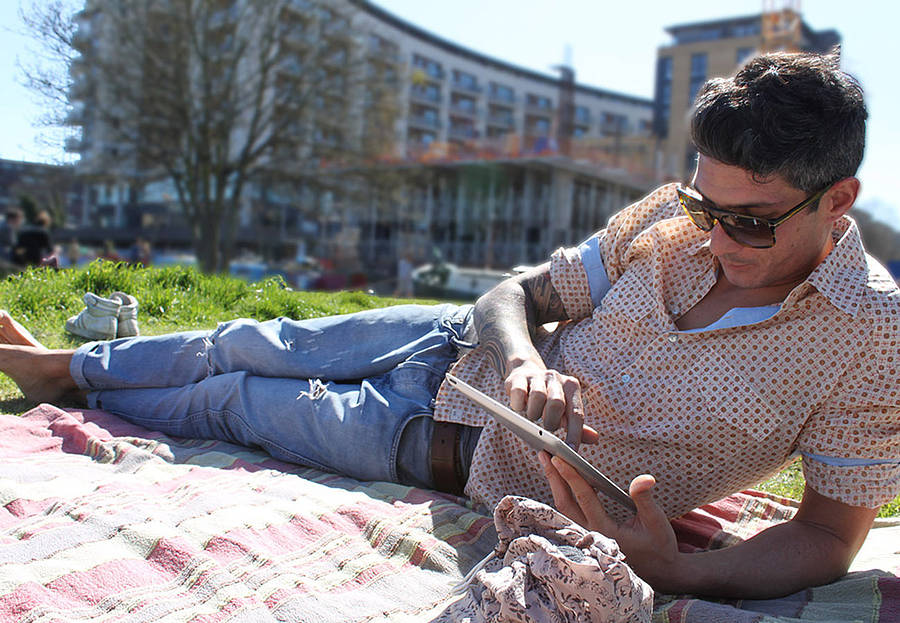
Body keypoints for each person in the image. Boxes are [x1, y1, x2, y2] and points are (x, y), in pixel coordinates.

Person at [0, 51, 897, 601]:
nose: (718, 236)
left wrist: (681, 573)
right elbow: (514, 295)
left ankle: (75, 375)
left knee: (231, 400)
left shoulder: (871, 336)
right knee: (241, 337)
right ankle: (67, 368)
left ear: (838, 198)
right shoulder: (666, 218)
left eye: (751, 221)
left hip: (430, 445)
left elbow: (829, 537)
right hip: (441, 341)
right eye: (707, 208)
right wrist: (522, 358)